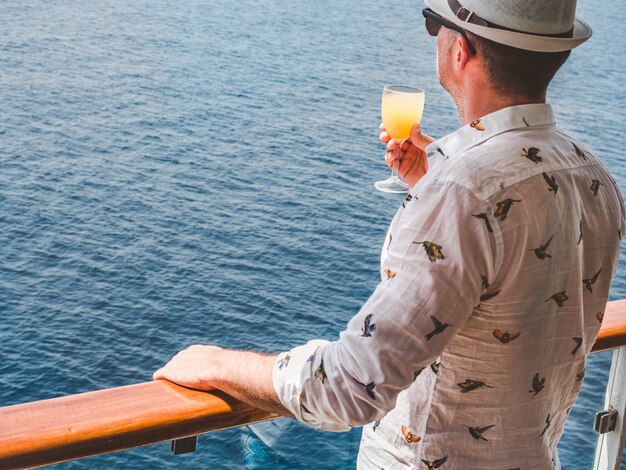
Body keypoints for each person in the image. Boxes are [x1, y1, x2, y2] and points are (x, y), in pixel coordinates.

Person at [154, 0, 625, 467]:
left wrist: (214, 363)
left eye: (432, 24)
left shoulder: (461, 194)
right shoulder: (592, 175)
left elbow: (351, 386)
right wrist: (434, 181)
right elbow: (519, 286)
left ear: (460, 50)